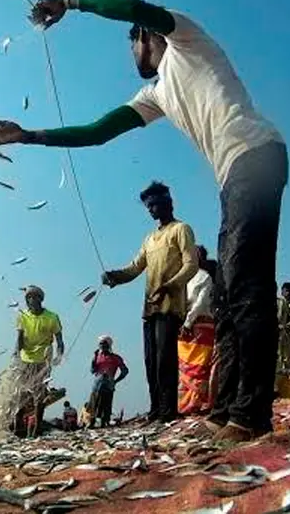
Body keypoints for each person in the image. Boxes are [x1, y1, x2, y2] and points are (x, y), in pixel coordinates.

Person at [0, 0, 288, 442]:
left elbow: (135, 8)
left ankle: (251, 415)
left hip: (255, 155)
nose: (130, 53)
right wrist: (26, 136)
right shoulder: (155, 95)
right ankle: (225, 409)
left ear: (144, 36)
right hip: (233, 174)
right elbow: (97, 132)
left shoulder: (186, 39)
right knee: (231, 294)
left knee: (247, 288)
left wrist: (70, 2)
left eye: (131, 43)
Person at [101, 181, 198, 423]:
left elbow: (191, 264)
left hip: (170, 304)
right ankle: (156, 409)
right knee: (150, 360)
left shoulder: (181, 229)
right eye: (148, 207)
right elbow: (135, 268)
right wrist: (115, 276)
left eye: (155, 204)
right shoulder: (150, 239)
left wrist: (170, 285)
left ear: (168, 203)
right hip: (150, 306)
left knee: (166, 359)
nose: (152, 210)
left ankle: (168, 411)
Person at [14, 285, 64, 431]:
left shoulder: (52, 317)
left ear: (41, 299)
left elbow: (59, 340)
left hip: (43, 360)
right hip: (25, 359)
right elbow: (19, 339)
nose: (31, 300)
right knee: (21, 394)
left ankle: (37, 427)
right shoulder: (22, 316)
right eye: (29, 297)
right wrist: (16, 355)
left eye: (35, 297)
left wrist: (59, 355)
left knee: (39, 395)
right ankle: (18, 427)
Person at [179, 246, 217, 416]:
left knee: (200, 366)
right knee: (185, 367)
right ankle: (186, 403)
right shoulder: (184, 278)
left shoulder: (205, 277)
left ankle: (200, 402)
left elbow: (200, 304)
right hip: (185, 328)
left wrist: (187, 323)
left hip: (201, 326)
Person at [90, 336, 129, 428]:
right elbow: (92, 370)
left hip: (108, 384)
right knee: (94, 404)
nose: (102, 346)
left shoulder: (115, 358)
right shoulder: (97, 357)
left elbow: (125, 371)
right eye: (101, 344)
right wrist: (94, 358)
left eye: (104, 344)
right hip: (97, 384)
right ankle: (92, 422)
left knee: (106, 404)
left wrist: (116, 381)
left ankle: (104, 422)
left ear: (109, 345)